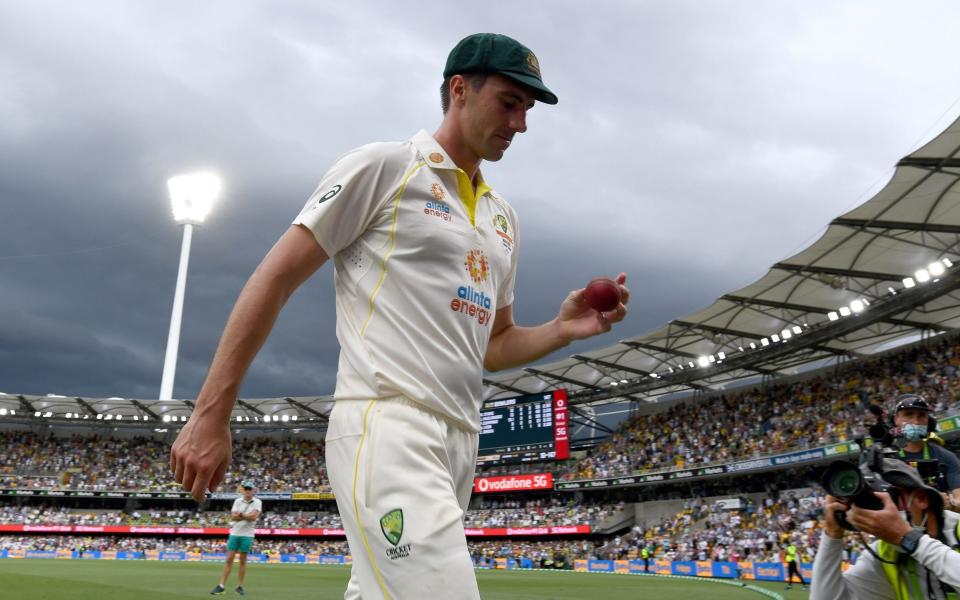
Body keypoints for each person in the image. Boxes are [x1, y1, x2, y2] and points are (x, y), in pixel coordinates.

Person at [170, 32, 629, 600]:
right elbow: (275, 277)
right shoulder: (387, 167)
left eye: (527, 110)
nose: (521, 123)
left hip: (460, 438)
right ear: (459, 90)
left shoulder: (502, 217)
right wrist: (211, 414)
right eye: (509, 103)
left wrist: (561, 329)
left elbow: (493, 345)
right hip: (387, 425)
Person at [811, 458, 960, 599]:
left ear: (921, 498)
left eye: (888, 501)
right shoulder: (883, 554)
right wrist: (832, 534)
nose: (879, 516)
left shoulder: (957, 529)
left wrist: (908, 539)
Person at [891, 393, 960, 510]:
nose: (916, 422)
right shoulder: (883, 458)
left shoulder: (947, 457)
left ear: (929, 421)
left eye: (922, 415)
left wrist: (950, 504)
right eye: (908, 415)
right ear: (896, 419)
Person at [210, 480, 261, 596]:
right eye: (246, 489)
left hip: (247, 535)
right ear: (243, 490)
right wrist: (246, 516)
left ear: (253, 490)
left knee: (242, 561)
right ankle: (221, 586)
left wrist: (241, 515)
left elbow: (254, 517)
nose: (248, 491)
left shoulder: (257, 502)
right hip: (235, 533)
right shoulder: (238, 501)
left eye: (250, 489)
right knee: (229, 560)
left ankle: (239, 586)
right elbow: (233, 517)